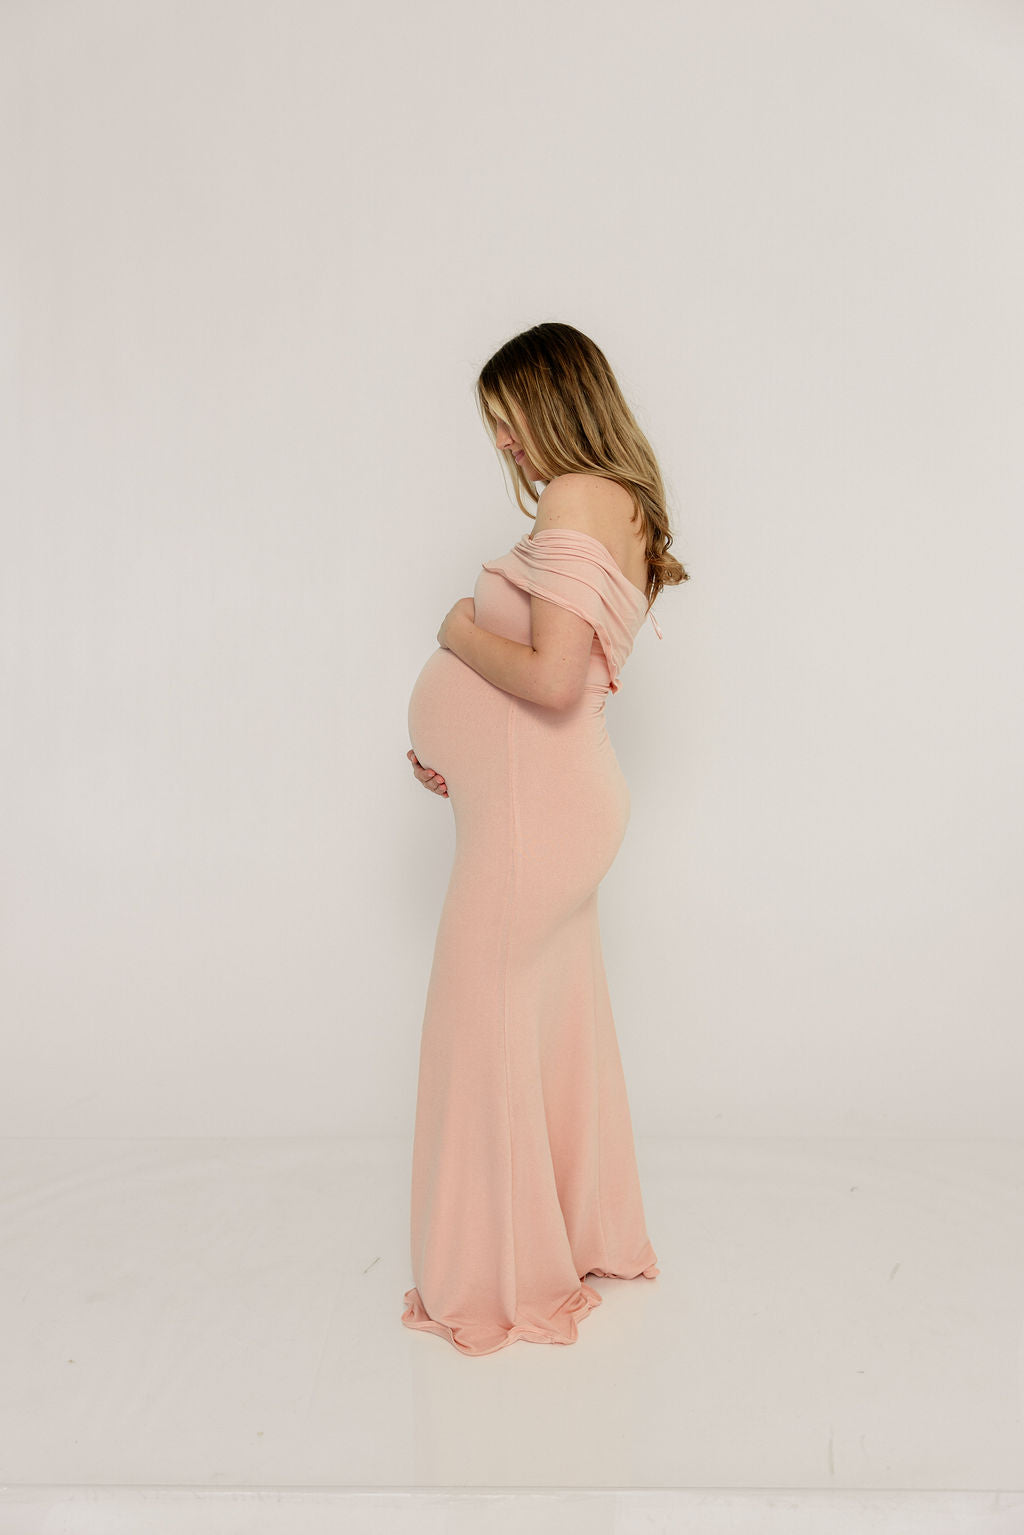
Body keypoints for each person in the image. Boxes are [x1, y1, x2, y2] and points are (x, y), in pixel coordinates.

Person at [402, 321, 688, 1355]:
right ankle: (572, 1232)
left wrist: (454, 632)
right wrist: (465, 752)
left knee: (479, 1020)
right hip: (546, 804)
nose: (503, 444)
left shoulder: (574, 497)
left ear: (553, 401)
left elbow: (554, 680)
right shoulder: (622, 501)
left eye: (508, 419)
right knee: (557, 1019)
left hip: (540, 816)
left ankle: (498, 1274)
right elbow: (557, 683)